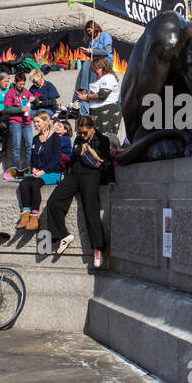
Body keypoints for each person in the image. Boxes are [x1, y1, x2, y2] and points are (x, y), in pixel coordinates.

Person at [42, 114, 114, 268]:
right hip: (75, 173)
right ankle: (62, 235)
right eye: (79, 132)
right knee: (54, 201)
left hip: (92, 174)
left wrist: (110, 179)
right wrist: (77, 151)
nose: (81, 135)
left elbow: (107, 160)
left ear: (92, 129)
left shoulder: (103, 140)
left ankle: (98, 248)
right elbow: (71, 160)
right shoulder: (79, 140)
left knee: (90, 206)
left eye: (84, 133)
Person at [15, 111, 71, 230]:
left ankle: (34, 216)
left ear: (46, 122)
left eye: (38, 122)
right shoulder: (36, 138)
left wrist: (43, 171)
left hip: (52, 172)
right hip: (38, 171)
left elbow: (56, 158)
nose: (35, 124)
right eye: (34, 122)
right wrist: (34, 168)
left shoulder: (55, 138)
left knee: (35, 184)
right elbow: (33, 157)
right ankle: (25, 214)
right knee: (24, 184)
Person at [3, 72, 34, 179]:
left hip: (27, 122)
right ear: (15, 82)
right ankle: (16, 170)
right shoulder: (10, 93)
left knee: (30, 146)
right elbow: (7, 108)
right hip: (15, 122)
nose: (22, 86)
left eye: (23, 84)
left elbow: (37, 101)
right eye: (20, 84)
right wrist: (21, 109)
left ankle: (29, 169)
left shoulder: (26, 91)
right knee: (16, 147)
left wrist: (34, 99)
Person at [75, 21, 112, 94]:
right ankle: (84, 89)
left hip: (105, 61)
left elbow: (106, 52)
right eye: (87, 31)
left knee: (94, 65)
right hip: (94, 60)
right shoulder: (91, 40)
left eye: (89, 30)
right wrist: (86, 52)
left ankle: (92, 90)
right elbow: (92, 54)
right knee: (86, 63)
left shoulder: (105, 36)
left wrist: (91, 50)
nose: (89, 33)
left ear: (94, 28)